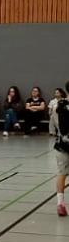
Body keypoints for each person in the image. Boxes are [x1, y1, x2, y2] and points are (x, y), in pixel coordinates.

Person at [53, 81, 68, 217]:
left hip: (61, 143)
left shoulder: (59, 105)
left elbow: (55, 123)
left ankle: (60, 204)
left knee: (61, 173)